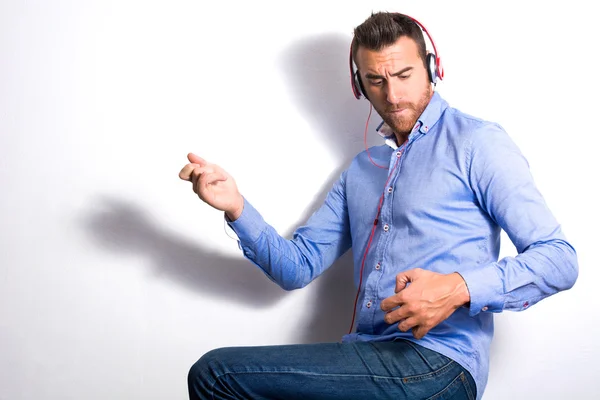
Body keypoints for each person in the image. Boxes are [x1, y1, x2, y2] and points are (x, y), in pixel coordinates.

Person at [179, 12, 578, 400]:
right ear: (360, 85)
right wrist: (236, 207)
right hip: (369, 355)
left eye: (404, 76)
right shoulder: (361, 171)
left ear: (432, 68)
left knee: (217, 375)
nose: (392, 95)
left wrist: (457, 289)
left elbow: (559, 260)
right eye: (376, 80)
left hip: (439, 364)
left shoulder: (478, 143)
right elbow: (296, 267)